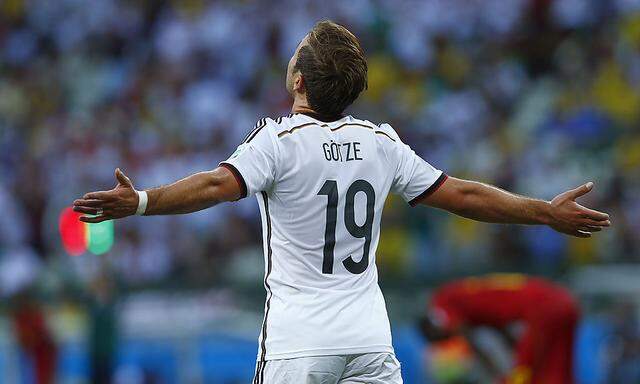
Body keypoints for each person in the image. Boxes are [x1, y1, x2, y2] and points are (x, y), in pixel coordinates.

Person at [72, 20, 610, 384]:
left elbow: (217, 186)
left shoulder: (277, 141)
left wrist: (140, 201)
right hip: (368, 337)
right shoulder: (383, 144)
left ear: (299, 80)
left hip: (299, 342)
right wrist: (545, 211)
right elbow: (464, 195)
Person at [420, 274, 580, 384]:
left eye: (442, 338)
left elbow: (467, 337)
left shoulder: (442, 300)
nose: (449, 338)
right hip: (564, 300)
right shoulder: (473, 299)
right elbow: (504, 333)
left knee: (523, 376)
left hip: (543, 309)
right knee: (557, 373)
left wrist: (495, 371)